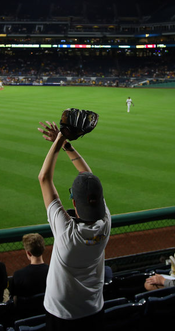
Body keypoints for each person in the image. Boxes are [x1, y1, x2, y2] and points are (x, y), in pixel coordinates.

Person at [36, 120, 111, 329]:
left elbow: (44, 178)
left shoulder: (67, 233)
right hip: (94, 309)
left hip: (61, 314)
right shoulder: (105, 222)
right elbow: (89, 179)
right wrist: (66, 144)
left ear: (74, 203)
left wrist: (61, 138)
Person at [9, 233, 50, 300]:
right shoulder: (52, 272)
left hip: (27, 310)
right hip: (48, 309)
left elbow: (14, 300)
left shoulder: (18, 275)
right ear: (43, 249)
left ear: (28, 253)